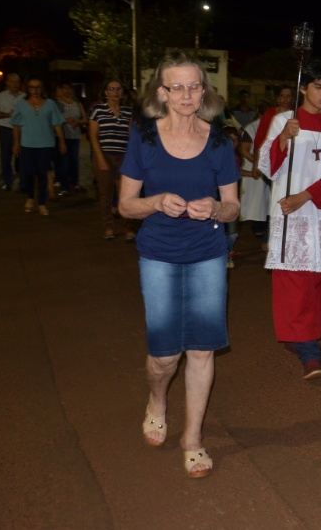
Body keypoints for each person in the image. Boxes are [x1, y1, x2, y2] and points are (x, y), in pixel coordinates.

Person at [118, 52, 240, 479]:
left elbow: (234, 207)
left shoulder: (221, 142)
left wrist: (215, 208)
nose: (187, 94)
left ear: (203, 91)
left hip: (207, 252)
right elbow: (126, 206)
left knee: (202, 349)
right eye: (177, 86)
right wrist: (154, 202)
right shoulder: (144, 138)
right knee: (165, 357)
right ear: (162, 92)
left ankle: (193, 438)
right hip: (158, 254)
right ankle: (157, 399)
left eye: (194, 86)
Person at [260, 60, 321, 380]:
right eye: (318, 87)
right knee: (295, 281)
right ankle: (310, 351)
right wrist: (283, 138)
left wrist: (304, 197)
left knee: (317, 279)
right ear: (303, 88)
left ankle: (301, 336)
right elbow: (266, 167)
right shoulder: (283, 120)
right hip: (289, 216)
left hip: (320, 212)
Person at [10, 77, 66, 216]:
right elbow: (16, 125)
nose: (35, 90)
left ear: (43, 88)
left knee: (42, 174)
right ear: (27, 88)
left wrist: (62, 141)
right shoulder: (22, 104)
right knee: (28, 173)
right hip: (27, 144)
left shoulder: (50, 104)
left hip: (46, 144)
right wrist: (16, 143)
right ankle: (30, 197)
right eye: (32, 87)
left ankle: (41, 202)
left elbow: (57, 124)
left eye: (38, 87)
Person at [89, 79, 136, 240]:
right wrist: (100, 158)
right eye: (112, 89)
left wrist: (132, 158)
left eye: (118, 89)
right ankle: (108, 227)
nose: (116, 92)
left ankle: (129, 227)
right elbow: (93, 136)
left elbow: (130, 136)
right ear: (106, 92)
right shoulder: (98, 110)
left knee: (127, 194)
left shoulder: (128, 111)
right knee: (106, 194)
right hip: (105, 156)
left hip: (123, 157)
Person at [238, 104, 270, 249]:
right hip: (254, 167)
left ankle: (262, 227)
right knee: (256, 201)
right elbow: (244, 150)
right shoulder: (252, 128)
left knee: (266, 200)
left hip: (267, 169)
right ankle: (257, 227)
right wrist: (258, 164)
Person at [0, 72, 24, 191]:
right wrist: (7, 114)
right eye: (13, 81)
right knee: (5, 157)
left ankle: (23, 180)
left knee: (21, 157)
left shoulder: (25, 97)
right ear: (7, 83)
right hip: (6, 131)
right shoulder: (0, 97)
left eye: (17, 82)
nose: (15, 84)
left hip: (22, 131)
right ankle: (8, 182)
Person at [55, 82, 88, 194]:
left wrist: (78, 122)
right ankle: (64, 186)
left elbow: (85, 119)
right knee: (63, 162)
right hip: (62, 136)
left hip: (74, 136)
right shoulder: (58, 104)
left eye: (69, 88)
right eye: (64, 88)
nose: (67, 91)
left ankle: (75, 183)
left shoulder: (78, 104)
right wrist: (65, 120)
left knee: (74, 161)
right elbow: (54, 120)